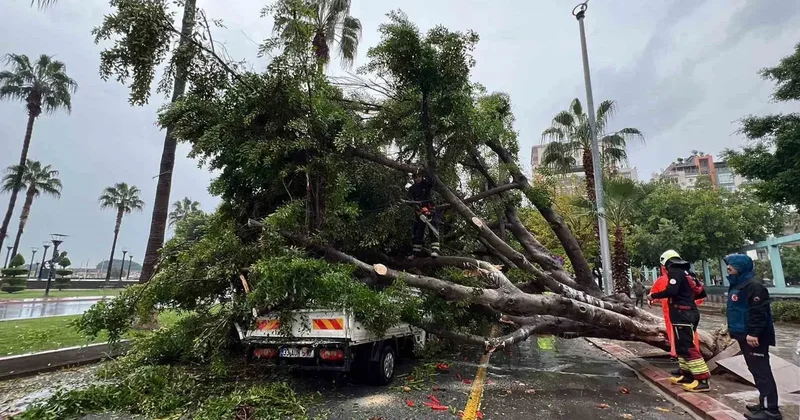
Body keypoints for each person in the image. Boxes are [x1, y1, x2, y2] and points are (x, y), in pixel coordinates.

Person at [725, 254, 782, 420]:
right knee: (755, 371)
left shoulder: (754, 286)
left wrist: (753, 333)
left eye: (732, 265)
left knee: (762, 372)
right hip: (744, 335)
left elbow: (758, 312)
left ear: (741, 266)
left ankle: (771, 410)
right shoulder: (739, 284)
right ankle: (763, 403)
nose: (728, 268)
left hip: (754, 337)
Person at [649, 250, 710, 392]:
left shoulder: (675, 272)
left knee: (687, 346)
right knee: (681, 345)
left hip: (682, 314)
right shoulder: (688, 273)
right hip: (688, 312)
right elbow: (701, 293)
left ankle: (702, 379)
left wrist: (653, 296)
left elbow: (671, 291)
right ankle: (687, 375)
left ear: (665, 262)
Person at [407, 171, 440, 259]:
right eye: (416, 177)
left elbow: (433, 181)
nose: (417, 179)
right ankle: (416, 252)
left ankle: (435, 250)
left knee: (433, 229)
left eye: (419, 176)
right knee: (418, 231)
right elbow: (410, 201)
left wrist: (425, 170)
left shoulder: (427, 184)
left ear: (422, 176)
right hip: (419, 212)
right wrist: (418, 209)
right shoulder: (412, 189)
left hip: (430, 210)